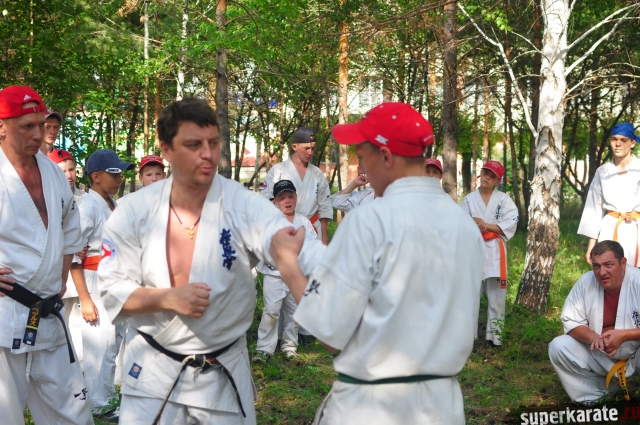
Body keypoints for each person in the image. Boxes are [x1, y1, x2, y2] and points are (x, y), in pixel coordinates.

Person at [98, 97, 323, 425]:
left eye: (214, 143)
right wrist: (166, 298)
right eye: (193, 144)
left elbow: (291, 245)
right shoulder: (133, 211)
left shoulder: (241, 203)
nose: (207, 154)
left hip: (222, 369)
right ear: (167, 149)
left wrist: (298, 261)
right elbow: (111, 290)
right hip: (153, 370)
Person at [269, 102, 485, 425]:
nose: (362, 169)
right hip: (442, 407)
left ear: (385, 156)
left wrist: (288, 264)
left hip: (371, 407)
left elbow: (330, 331)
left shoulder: (372, 219)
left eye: (362, 157)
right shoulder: (463, 224)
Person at [0, 85, 93, 424]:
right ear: (2, 127)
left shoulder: (53, 172)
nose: (38, 134)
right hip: (4, 313)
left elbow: (70, 232)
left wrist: (60, 281)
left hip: (49, 312)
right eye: (27, 126)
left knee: (73, 414)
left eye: (41, 125)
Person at [71, 149, 133, 420]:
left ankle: (97, 394)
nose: (120, 179)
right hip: (94, 281)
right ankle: (100, 403)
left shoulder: (111, 203)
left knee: (111, 342)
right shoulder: (88, 207)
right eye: (114, 174)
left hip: (115, 280)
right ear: (96, 176)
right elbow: (73, 255)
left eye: (121, 174)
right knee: (100, 345)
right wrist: (85, 299)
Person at [549, 240, 640, 404]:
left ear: (623, 263)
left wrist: (625, 335)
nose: (602, 272)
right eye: (596, 266)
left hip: (636, 353)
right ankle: (598, 395)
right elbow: (570, 320)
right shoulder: (586, 282)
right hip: (599, 353)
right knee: (559, 346)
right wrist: (593, 338)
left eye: (608, 265)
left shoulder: (637, 281)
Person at [254, 180, 317, 362]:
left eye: (290, 196)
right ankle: (264, 348)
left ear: (296, 197)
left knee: (294, 312)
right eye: (282, 198)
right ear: (275, 201)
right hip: (274, 274)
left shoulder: (304, 222)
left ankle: (289, 345)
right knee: (271, 311)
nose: (287, 201)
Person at [461, 161, 518, 347]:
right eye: (486, 172)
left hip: (495, 248)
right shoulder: (469, 199)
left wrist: (486, 225)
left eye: (492, 176)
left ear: (498, 181)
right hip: (474, 247)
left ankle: (495, 338)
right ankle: (468, 336)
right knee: (471, 293)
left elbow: (511, 222)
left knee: (496, 296)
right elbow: (461, 223)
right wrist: (473, 224)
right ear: (481, 173)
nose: (487, 177)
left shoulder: (504, 200)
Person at [48, 148, 88, 367]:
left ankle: (78, 367)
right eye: (62, 171)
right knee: (58, 322)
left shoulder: (85, 198)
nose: (69, 175)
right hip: (60, 269)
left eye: (71, 169)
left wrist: (83, 245)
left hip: (81, 272)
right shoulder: (48, 197)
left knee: (78, 324)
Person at [578, 122, 640, 267]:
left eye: (623, 140)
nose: (618, 144)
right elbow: (594, 207)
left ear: (632, 143)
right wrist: (591, 245)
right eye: (614, 139)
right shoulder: (603, 171)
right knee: (609, 272)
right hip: (610, 228)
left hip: (636, 229)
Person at [261, 127, 332, 244]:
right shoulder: (278, 170)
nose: (310, 152)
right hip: (285, 229)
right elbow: (266, 202)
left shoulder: (317, 173)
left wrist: (324, 239)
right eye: (306, 148)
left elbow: (324, 206)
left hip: (313, 229)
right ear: (295, 146)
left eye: (313, 148)